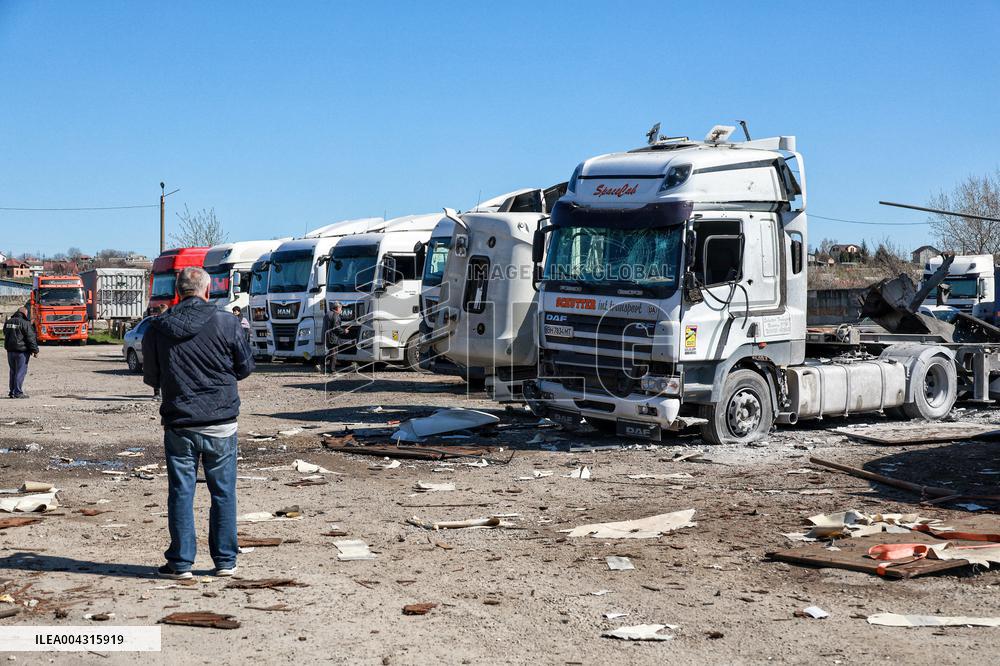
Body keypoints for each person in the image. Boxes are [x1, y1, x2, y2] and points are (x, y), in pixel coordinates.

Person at [143, 267, 254, 579]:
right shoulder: (227, 322)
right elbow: (244, 367)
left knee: (181, 491)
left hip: (180, 422)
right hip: (221, 422)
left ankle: (180, 563)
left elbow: (151, 377)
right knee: (223, 492)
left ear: (178, 292)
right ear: (208, 291)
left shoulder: (157, 326)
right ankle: (225, 561)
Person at [4, 307, 38, 399]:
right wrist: (35, 350)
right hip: (22, 352)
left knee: (13, 371)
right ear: (24, 313)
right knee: (20, 371)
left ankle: (12, 392)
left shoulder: (8, 322)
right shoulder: (25, 323)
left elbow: (5, 333)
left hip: (10, 351)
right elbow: (30, 338)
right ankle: (18, 392)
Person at [323, 301, 348, 373]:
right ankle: (331, 369)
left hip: (327, 336)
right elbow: (336, 328)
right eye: (341, 308)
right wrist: (344, 331)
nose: (341, 310)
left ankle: (322, 364)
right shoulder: (336, 315)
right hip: (333, 337)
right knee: (334, 353)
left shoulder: (327, 313)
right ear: (337, 308)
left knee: (331, 352)